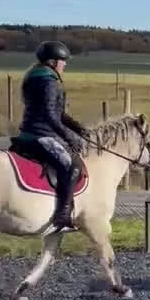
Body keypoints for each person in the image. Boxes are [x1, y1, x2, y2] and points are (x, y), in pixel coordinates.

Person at [11, 41, 90, 231]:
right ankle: (62, 216)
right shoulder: (49, 82)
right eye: (63, 61)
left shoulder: (36, 77)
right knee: (72, 166)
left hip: (30, 132)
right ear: (53, 62)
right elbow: (51, 116)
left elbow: (58, 113)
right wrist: (70, 137)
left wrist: (79, 129)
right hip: (41, 135)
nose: (65, 64)